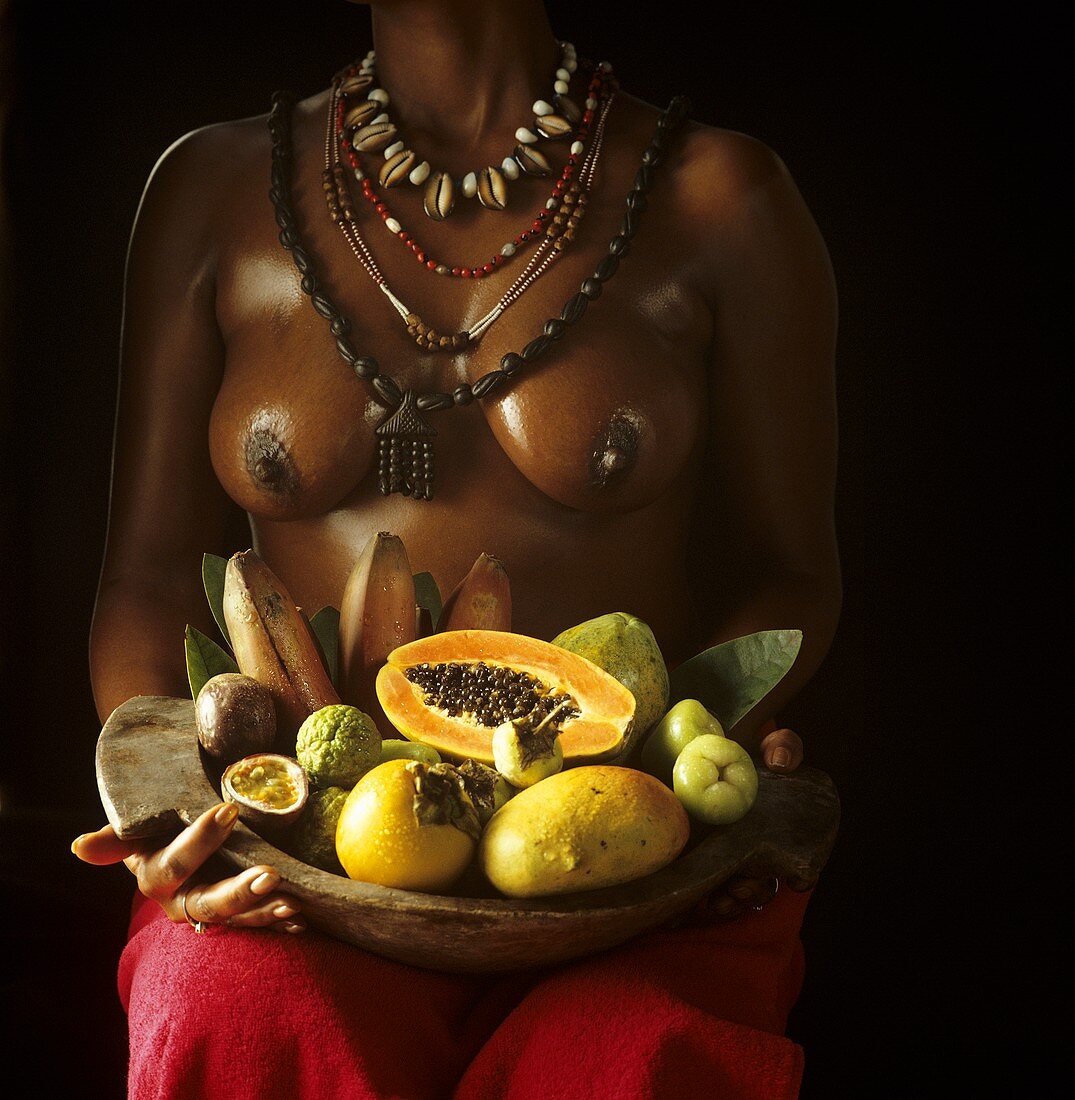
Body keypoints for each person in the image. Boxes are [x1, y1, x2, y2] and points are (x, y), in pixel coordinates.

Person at [72, 1, 840, 1095]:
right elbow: (145, 573)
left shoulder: (723, 197)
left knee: (633, 1059)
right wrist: (162, 816)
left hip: (618, 850)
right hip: (298, 853)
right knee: (228, 1016)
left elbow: (791, 569)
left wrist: (695, 785)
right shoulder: (210, 189)